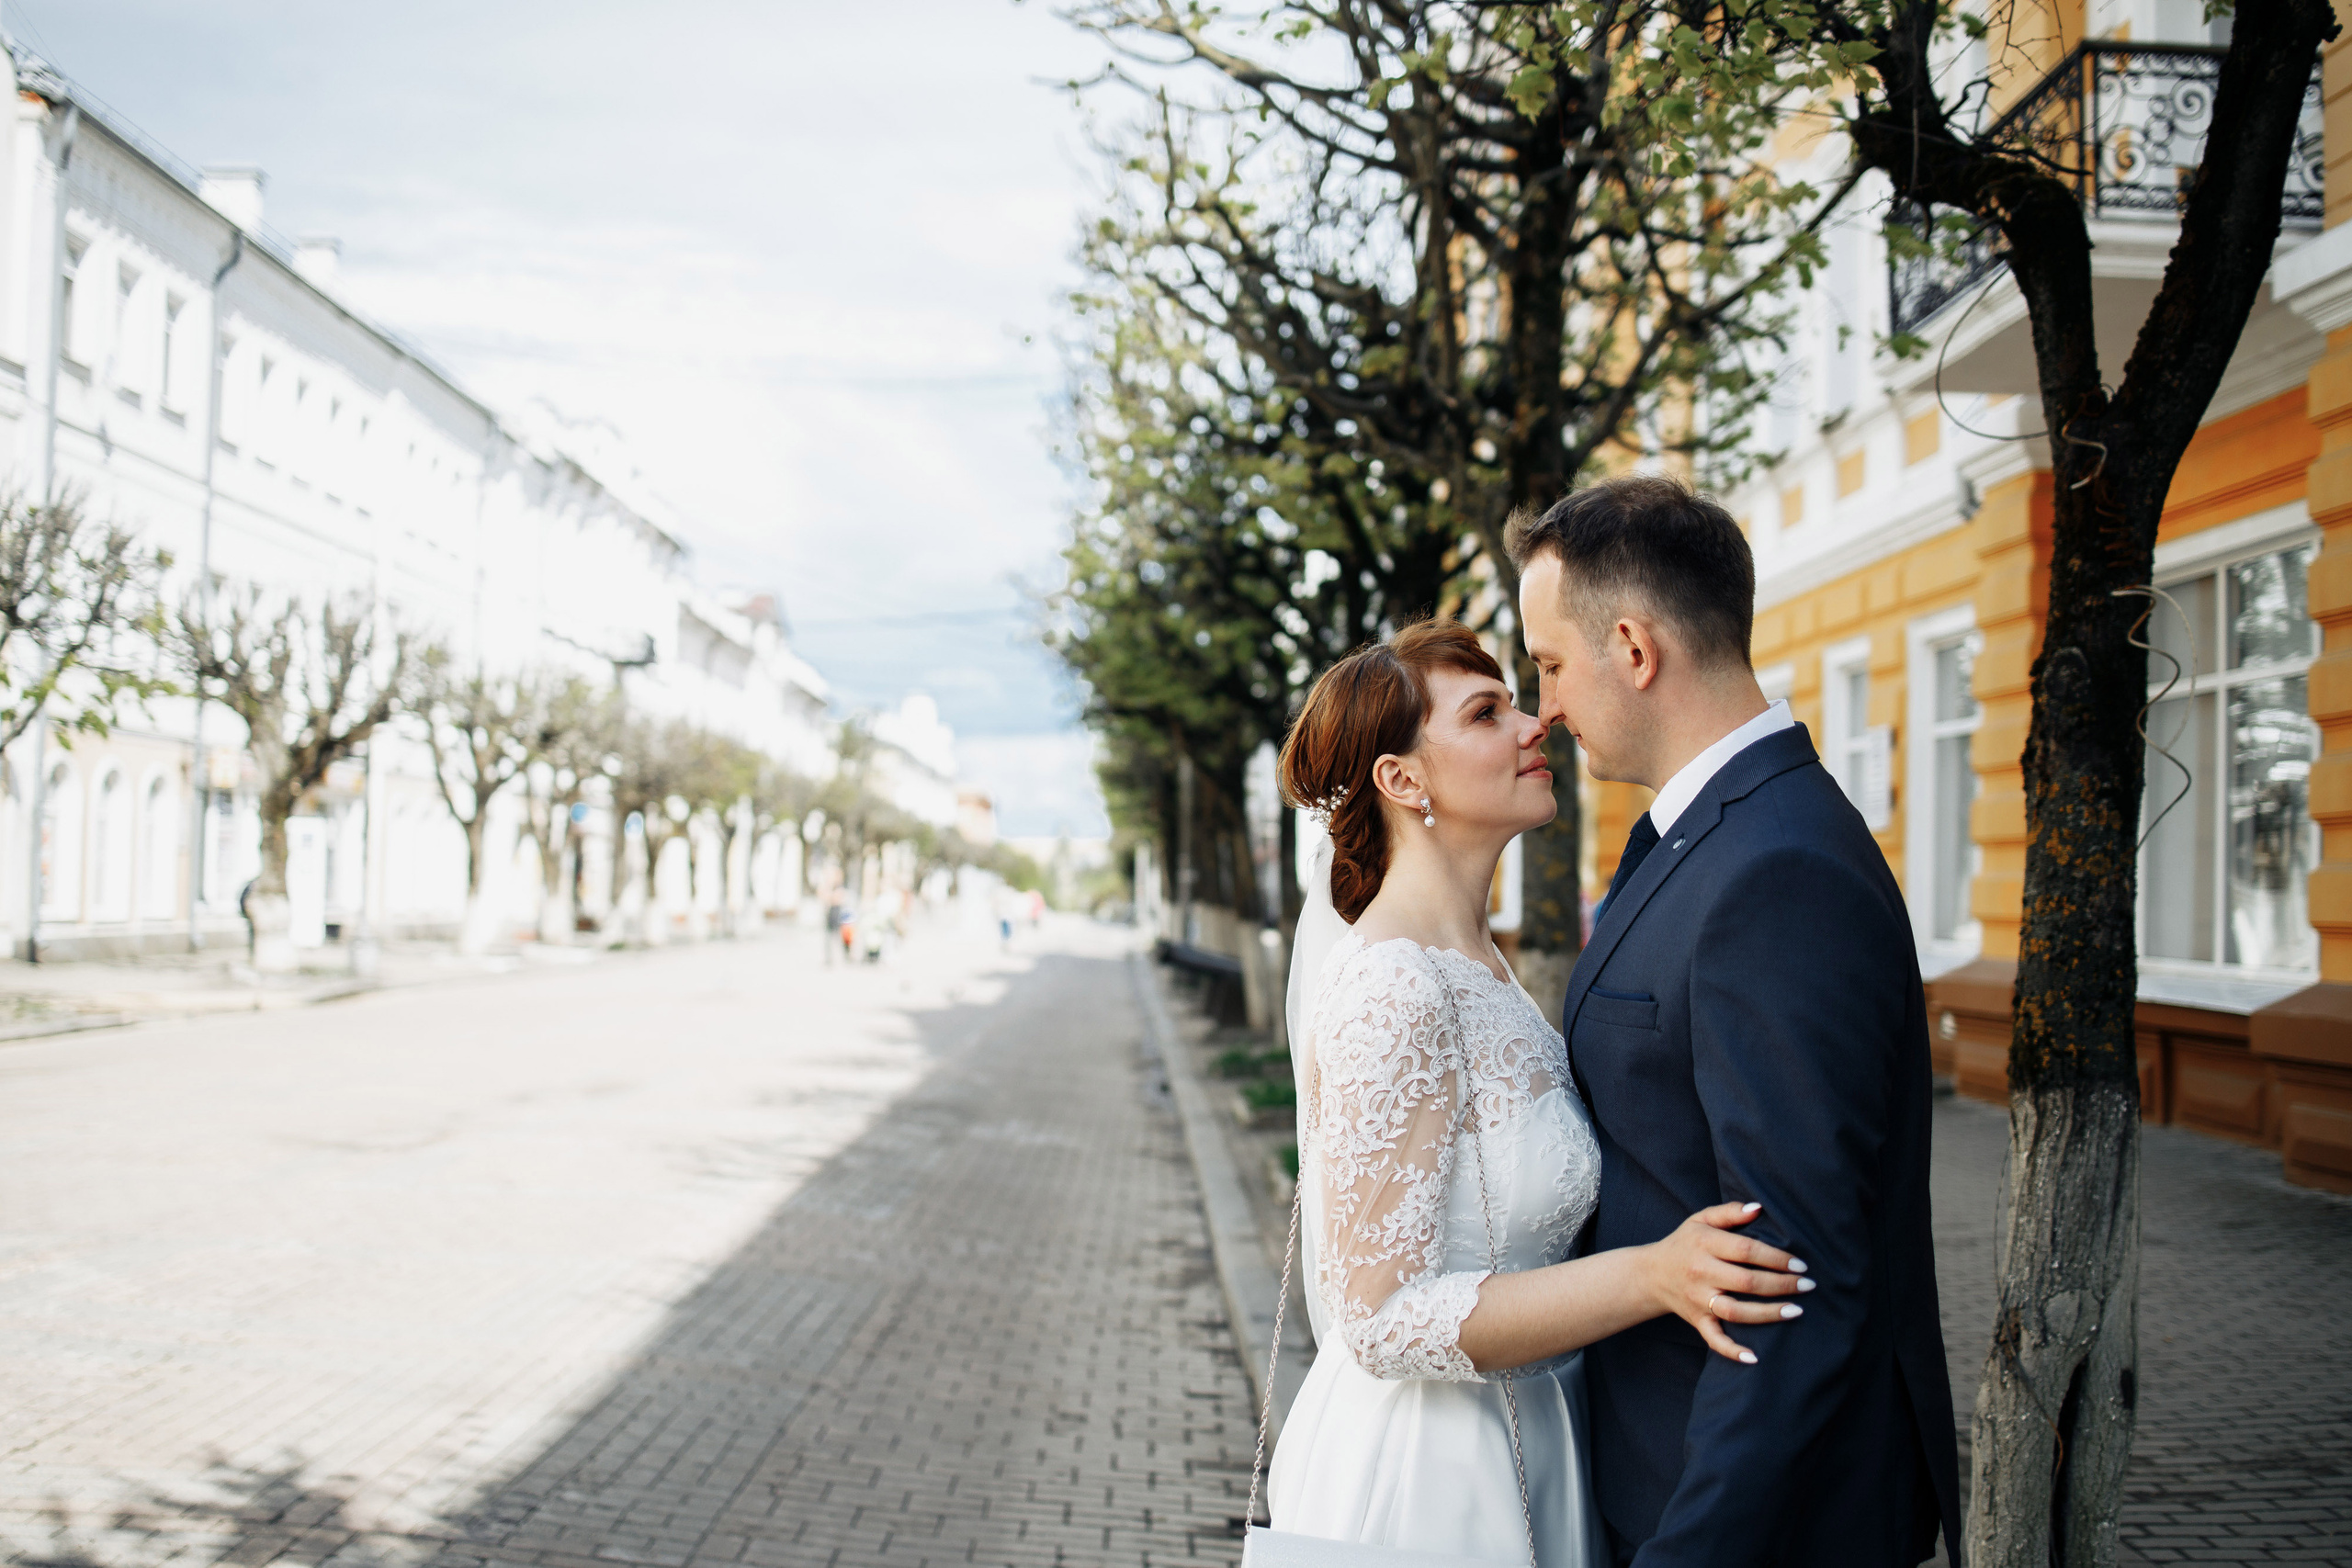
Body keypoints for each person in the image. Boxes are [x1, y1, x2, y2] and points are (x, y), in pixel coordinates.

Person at [1266, 619, 1811, 1566]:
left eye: (1520, 698)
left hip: (1538, 1436)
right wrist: (1651, 1275)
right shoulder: (1392, 988)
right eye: (1488, 713)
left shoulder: (1479, 966)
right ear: (1403, 780)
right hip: (1434, 1480)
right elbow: (1380, 1319)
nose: (1535, 724)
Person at [1514, 475, 1961, 1565]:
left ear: (1632, 647)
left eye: (1550, 665)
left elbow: (1790, 1280)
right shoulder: (1703, 836)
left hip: (1745, 1514)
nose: (1547, 708)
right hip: (1661, 1472)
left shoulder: (1778, 871)